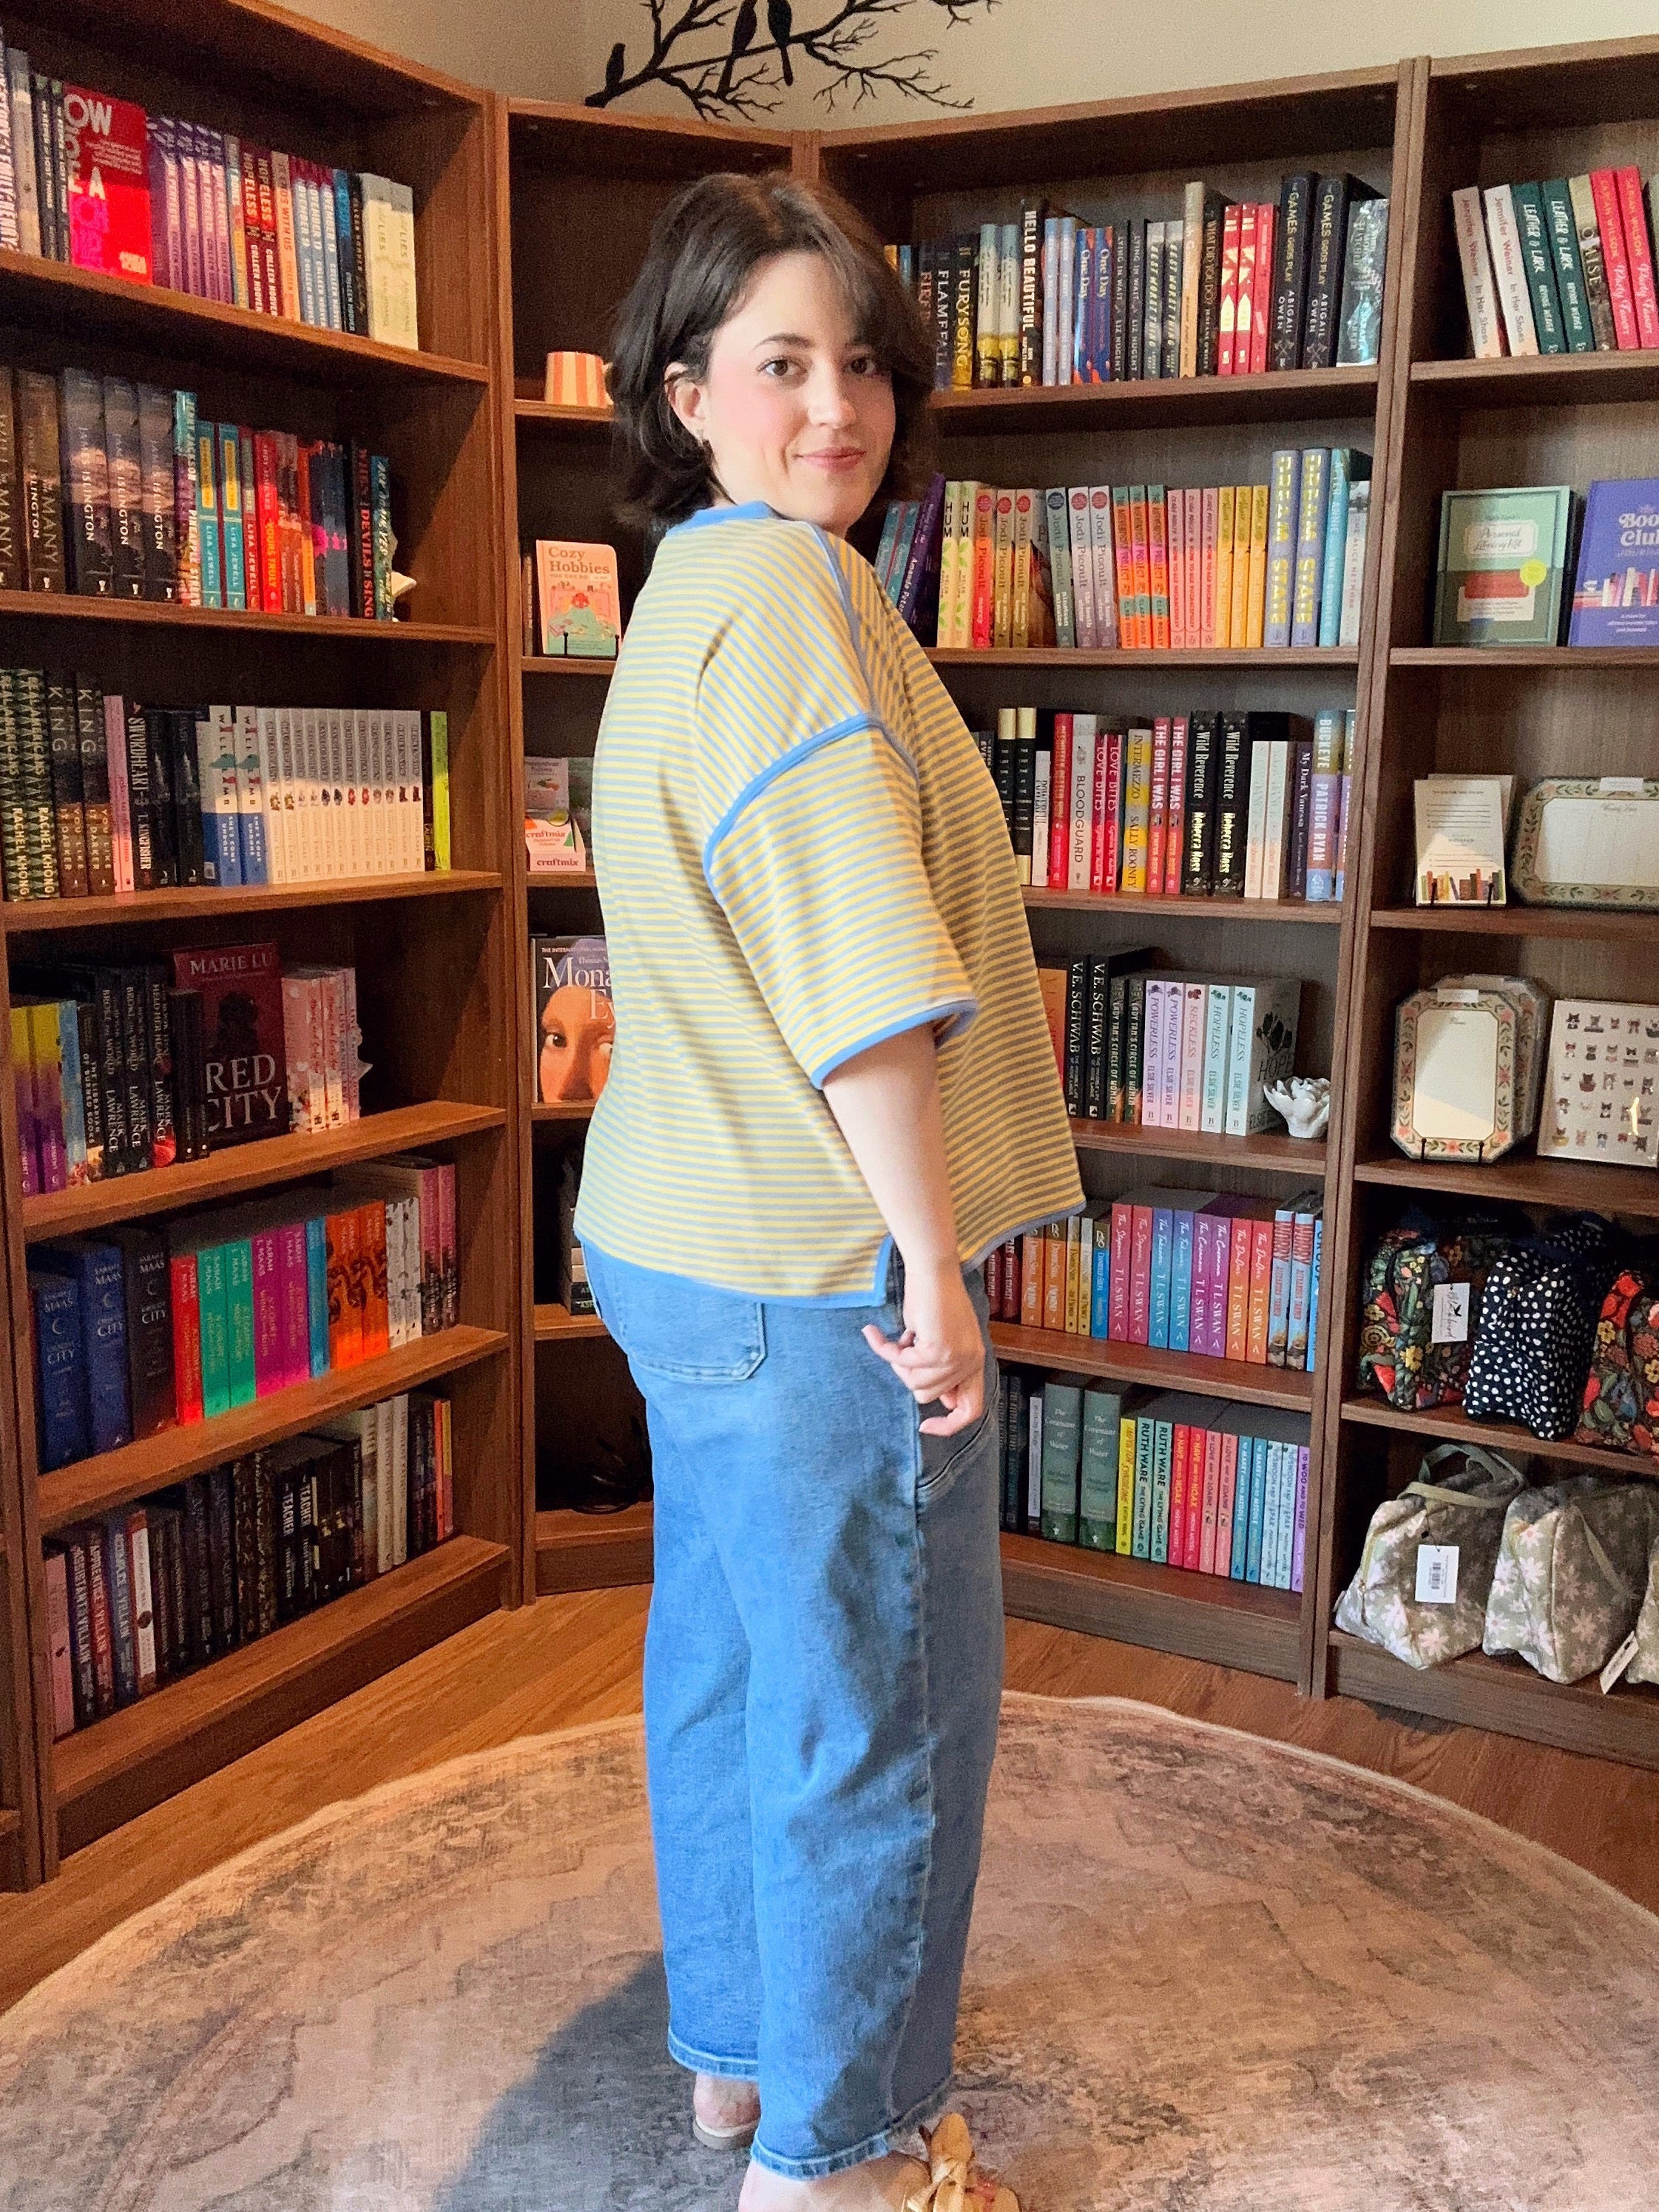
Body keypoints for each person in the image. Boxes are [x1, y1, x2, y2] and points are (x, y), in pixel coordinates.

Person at [578, 171, 1081, 2211]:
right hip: (812, 1266)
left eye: (861, 364)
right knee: (882, 1708)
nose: (834, 407)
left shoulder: (688, 594)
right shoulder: (790, 592)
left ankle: (740, 2068)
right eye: (779, 363)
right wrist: (931, 1269)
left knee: (728, 1664)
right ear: (684, 391)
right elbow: (856, 962)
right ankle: (845, 2158)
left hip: (674, 1239)